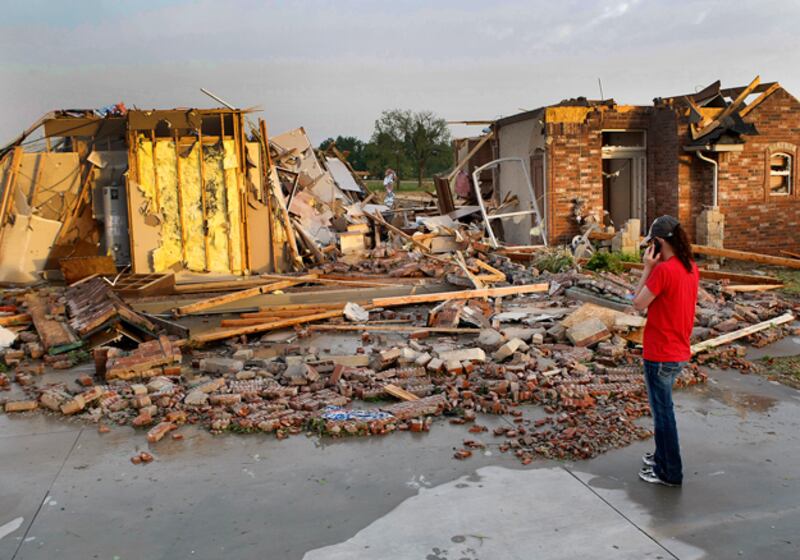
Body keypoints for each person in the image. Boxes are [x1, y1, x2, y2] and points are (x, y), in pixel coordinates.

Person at [631, 215, 699, 487]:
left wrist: (648, 268)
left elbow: (637, 303)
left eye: (652, 245)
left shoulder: (663, 271)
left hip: (660, 352)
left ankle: (669, 472)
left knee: (663, 415)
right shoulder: (690, 267)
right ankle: (662, 456)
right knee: (664, 410)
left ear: (658, 243)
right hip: (679, 350)